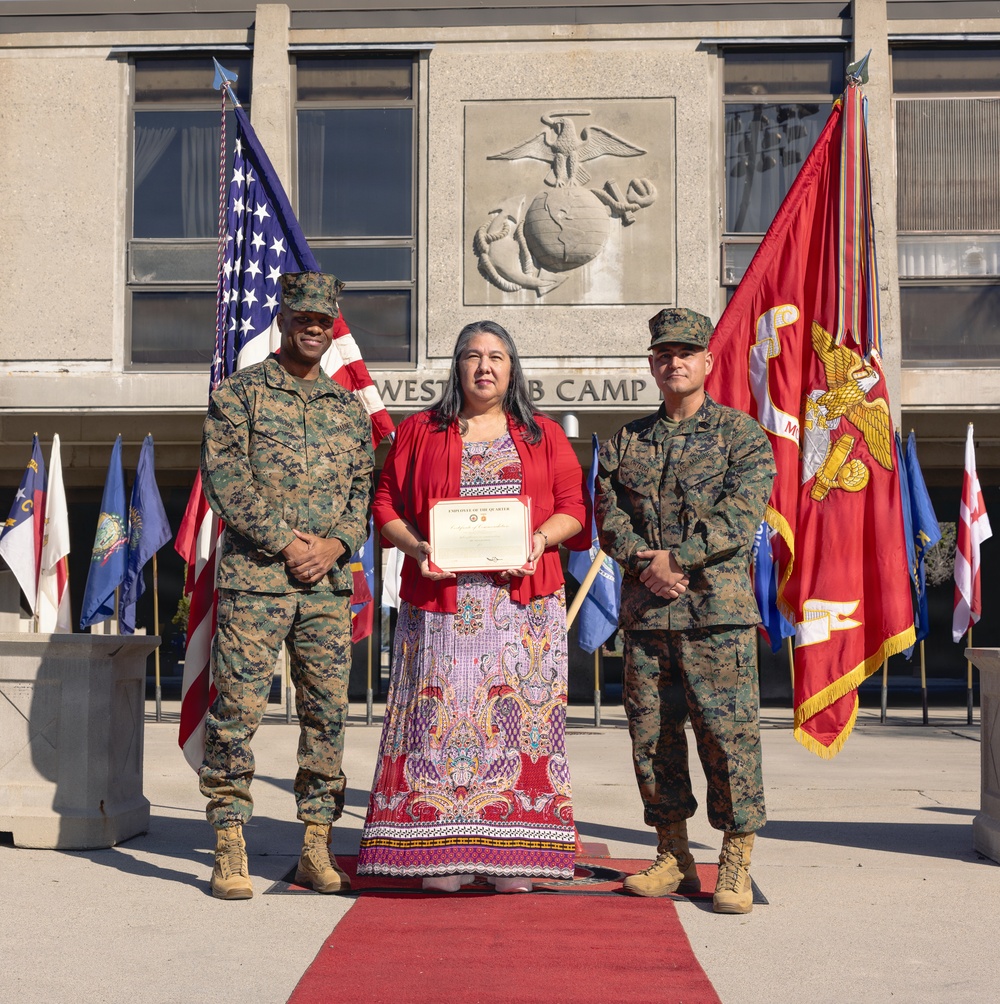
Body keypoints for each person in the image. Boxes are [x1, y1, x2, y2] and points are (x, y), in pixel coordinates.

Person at [357, 320, 590, 893]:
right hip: (441, 606)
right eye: (472, 356)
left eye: (496, 356)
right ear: (457, 366)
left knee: (515, 727)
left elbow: (573, 507)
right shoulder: (419, 431)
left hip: (523, 609)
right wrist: (417, 548)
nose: (484, 366)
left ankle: (514, 854)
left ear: (513, 369)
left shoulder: (543, 434)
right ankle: (439, 852)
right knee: (439, 726)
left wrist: (538, 541)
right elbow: (385, 502)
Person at [199, 271, 374, 900]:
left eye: (323, 320)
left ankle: (316, 845)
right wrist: (289, 543)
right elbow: (224, 479)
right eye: (303, 317)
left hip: (325, 588)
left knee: (327, 715)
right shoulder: (238, 395)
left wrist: (335, 545)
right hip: (256, 583)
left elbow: (363, 491)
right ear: (283, 318)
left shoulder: (348, 410)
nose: (313, 328)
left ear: (333, 325)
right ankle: (228, 842)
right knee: (236, 713)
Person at [595, 307, 775, 915]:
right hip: (649, 618)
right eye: (664, 354)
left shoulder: (741, 435)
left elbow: (740, 513)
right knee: (654, 739)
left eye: (686, 353)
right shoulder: (627, 441)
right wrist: (646, 563)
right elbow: (608, 515)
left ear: (707, 362)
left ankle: (735, 860)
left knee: (728, 738)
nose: (674, 363)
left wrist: (679, 560)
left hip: (715, 617)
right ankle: (673, 854)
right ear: (652, 365)